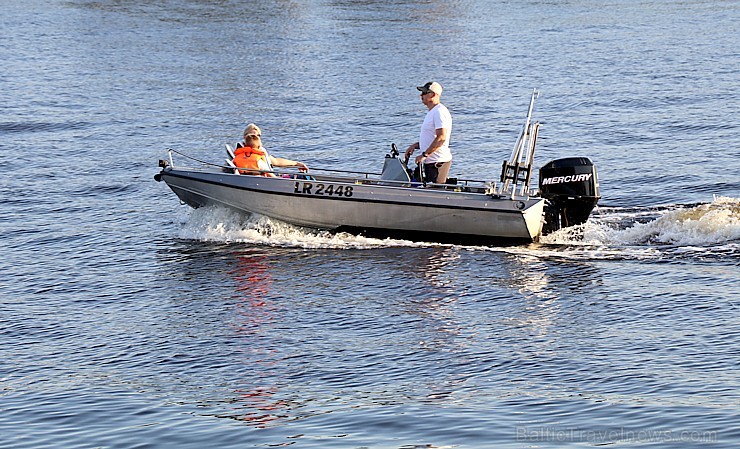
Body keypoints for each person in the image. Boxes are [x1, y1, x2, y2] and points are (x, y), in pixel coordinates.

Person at [404, 81, 452, 184]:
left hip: (437, 163)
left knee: (435, 194)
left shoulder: (439, 112)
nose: (421, 95)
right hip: (430, 162)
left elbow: (441, 138)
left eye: (424, 92)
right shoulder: (432, 112)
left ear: (433, 94)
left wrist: (424, 155)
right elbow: (431, 137)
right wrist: (416, 145)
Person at [233, 123, 308, 176]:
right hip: (265, 181)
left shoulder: (259, 151)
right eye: (253, 135)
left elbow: (275, 161)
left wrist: (296, 163)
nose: (256, 137)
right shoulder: (246, 156)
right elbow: (266, 172)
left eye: (258, 135)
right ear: (245, 136)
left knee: (303, 176)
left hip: (271, 178)